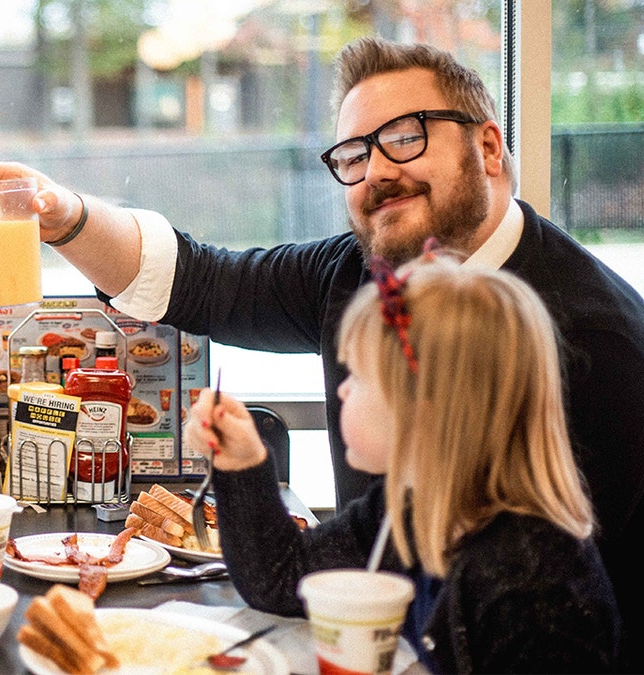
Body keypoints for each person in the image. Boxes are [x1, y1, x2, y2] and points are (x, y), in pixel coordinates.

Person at [0, 37, 644, 667]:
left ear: (489, 148)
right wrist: (65, 215)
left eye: (405, 137)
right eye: (353, 155)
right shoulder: (359, 271)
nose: (376, 171)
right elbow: (203, 280)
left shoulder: (598, 345)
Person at [183, 252, 620, 673]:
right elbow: (283, 578)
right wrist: (243, 461)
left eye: (357, 376)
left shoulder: (533, 591)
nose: (342, 392)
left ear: (424, 413)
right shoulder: (411, 511)